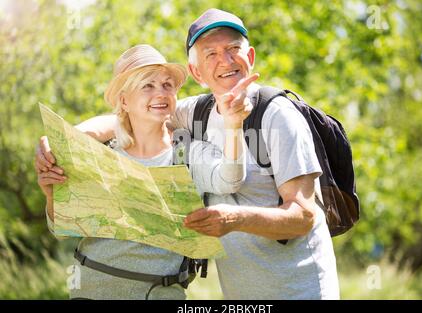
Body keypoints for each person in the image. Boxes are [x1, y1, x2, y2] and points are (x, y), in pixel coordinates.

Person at [36, 8, 340, 299]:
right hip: (239, 295)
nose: (226, 60)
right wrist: (66, 140)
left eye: (233, 49)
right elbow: (136, 116)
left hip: (303, 290)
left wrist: (234, 219)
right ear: (196, 71)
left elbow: (303, 216)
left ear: (250, 57)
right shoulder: (197, 112)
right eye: (211, 53)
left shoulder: (278, 116)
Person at [36, 43, 257, 299]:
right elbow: (61, 230)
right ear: (124, 101)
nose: (161, 93)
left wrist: (233, 125)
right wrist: (52, 196)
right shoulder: (101, 154)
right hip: (90, 290)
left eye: (167, 85)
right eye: (147, 86)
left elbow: (230, 180)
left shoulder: (188, 154)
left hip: (158, 293)